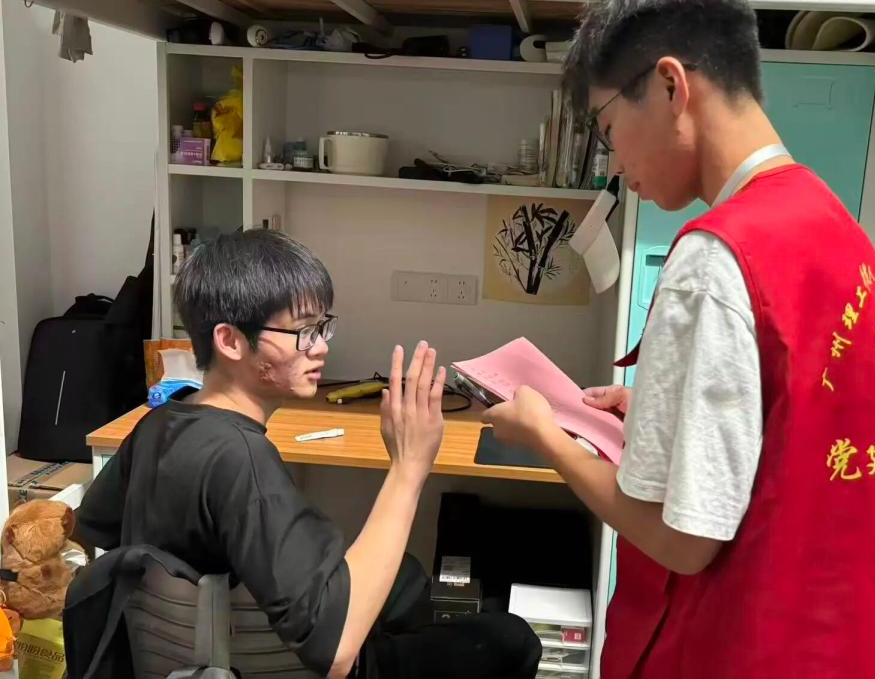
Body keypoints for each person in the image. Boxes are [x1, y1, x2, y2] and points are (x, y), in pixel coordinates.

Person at [482, 0, 875, 678]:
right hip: (840, 643)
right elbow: (799, 424)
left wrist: (549, 439)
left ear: (671, 86)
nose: (617, 164)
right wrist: (662, 407)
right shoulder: (838, 229)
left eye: (608, 127)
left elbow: (683, 542)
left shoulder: (715, 258)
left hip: (735, 648)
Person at [74, 229, 541, 679]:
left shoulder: (158, 424)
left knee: (405, 579)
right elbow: (336, 654)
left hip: (192, 651)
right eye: (302, 332)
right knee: (511, 638)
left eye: (322, 328)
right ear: (230, 340)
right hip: (292, 661)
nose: (320, 348)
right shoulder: (242, 460)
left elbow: (90, 532)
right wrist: (409, 467)